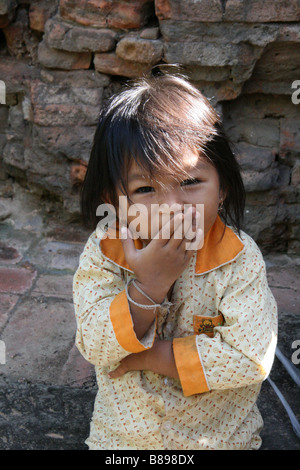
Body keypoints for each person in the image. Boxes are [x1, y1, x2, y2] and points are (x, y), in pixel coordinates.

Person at [73, 73, 277, 450]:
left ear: (223, 186)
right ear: (115, 202)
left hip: (220, 439)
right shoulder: (105, 252)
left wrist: (149, 356)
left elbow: (250, 359)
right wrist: (147, 287)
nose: (173, 208)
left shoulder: (239, 260)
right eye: (145, 189)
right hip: (123, 440)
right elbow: (95, 345)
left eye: (189, 182)